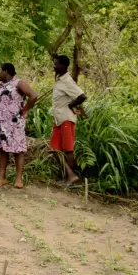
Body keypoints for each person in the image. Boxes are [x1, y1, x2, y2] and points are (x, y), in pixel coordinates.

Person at [0, 63, 38, 189]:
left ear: (6, 71)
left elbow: (33, 96)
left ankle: (18, 180)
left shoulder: (18, 83)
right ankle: (1, 178)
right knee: (3, 150)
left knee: (18, 151)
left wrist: (25, 110)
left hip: (14, 123)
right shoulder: (0, 85)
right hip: (1, 125)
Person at [51, 54, 86, 187]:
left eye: (56, 64)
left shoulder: (67, 81)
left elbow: (82, 96)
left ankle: (70, 178)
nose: (54, 66)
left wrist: (71, 105)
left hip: (66, 118)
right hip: (59, 119)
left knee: (68, 150)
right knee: (54, 149)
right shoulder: (60, 80)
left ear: (63, 66)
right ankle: (69, 175)